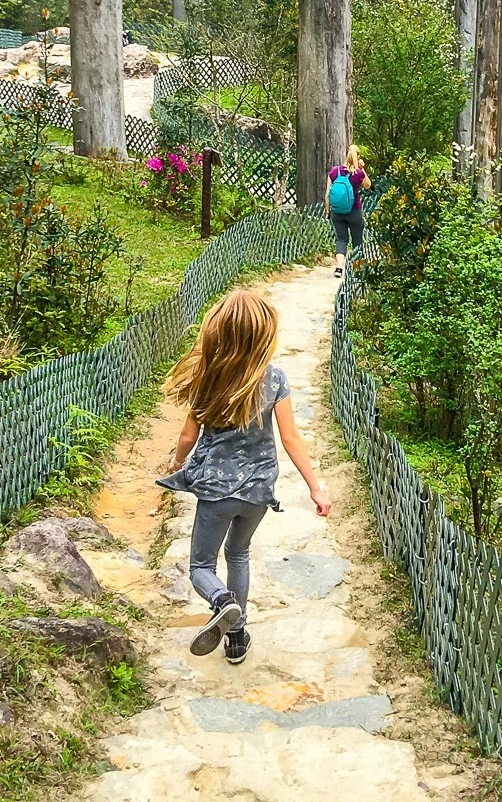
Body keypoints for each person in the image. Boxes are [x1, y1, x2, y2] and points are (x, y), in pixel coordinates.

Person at [158, 288, 330, 665]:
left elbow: (188, 435)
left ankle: (222, 602)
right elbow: (291, 438)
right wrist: (316, 488)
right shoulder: (274, 379)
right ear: (263, 334)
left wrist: (177, 462)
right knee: (239, 553)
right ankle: (236, 639)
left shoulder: (208, 377)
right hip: (258, 492)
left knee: (202, 567)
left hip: (217, 493)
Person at [325, 144, 371, 279]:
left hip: (337, 212)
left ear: (346, 155)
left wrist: (328, 211)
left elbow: (327, 193)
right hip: (354, 211)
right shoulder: (358, 173)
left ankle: (339, 268)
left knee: (341, 239)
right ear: (358, 157)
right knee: (357, 239)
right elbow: (368, 185)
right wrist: (362, 169)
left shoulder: (335, 171)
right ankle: (356, 269)